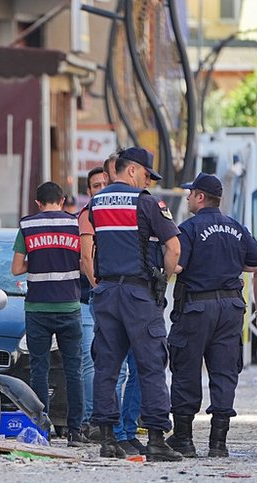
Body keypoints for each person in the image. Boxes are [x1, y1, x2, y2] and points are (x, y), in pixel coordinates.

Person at [82, 146, 182, 461]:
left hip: (107, 294)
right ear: (133, 170)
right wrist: (163, 277)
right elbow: (175, 248)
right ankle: (155, 440)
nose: (147, 182)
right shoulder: (147, 203)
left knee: (107, 368)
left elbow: (93, 248)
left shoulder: (96, 203)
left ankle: (108, 441)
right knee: (151, 366)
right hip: (139, 296)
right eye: (147, 175)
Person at [165, 172, 257, 458]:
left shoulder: (189, 228)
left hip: (197, 308)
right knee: (224, 372)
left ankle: (184, 438)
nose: (187, 198)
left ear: (200, 197)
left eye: (190, 194)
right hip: (231, 309)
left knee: (186, 369)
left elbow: (178, 267)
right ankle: (218, 443)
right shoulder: (236, 227)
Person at [12, 181, 86, 447]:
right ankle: (76, 432)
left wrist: (40, 259)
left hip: (38, 308)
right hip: (69, 307)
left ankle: (41, 429)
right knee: (73, 370)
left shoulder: (28, 226)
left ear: (37, 203)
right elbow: (84, 260)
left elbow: (17, 268)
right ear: (63, 199)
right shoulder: (76, 224)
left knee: (39, 370)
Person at [77, 167, 108, 440]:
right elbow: (84, 259)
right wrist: (97, 286)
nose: (99, 189)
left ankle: (111, 420)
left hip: (111, 298)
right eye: (95, 185)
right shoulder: (86, 216)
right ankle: (90, 421)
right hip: (88, 299)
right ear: (89, 191)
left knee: (115, 364)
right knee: (90, 360)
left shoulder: (115, 215)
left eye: (103, 184)